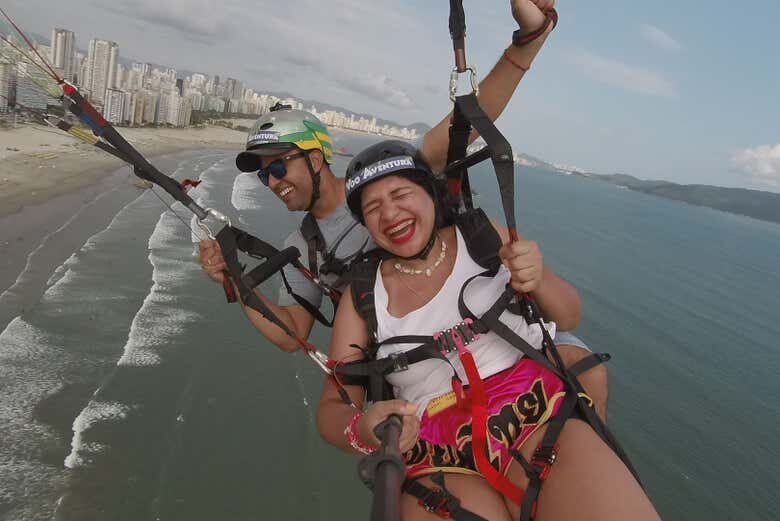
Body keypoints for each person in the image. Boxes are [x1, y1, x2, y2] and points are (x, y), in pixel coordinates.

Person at [316, 141, 661, 521]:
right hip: (438, 454)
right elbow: (332, 407)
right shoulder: (364, 295)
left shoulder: (481, 238)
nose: (389, 213)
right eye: (372, 208)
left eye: (400, 194)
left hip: (537, 415)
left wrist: (539, 277)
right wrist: (362, 429)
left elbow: (568, 317)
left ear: (431, 195)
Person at [199, 0, 568, 353]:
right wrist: (236, 280)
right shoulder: (303, 247)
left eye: (278, 167)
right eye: (265, 176)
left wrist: (528, 41)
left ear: (315, 158)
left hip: (487, 331)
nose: (273, 182)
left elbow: (469, 119)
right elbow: (292, 334)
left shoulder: (390, 175)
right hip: (417, 368)